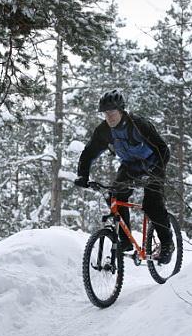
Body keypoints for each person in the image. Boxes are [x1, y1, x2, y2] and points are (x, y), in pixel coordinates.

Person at [74, 89, 175, 264]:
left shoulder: (138, 124)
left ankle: (167, 244)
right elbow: (89, 153)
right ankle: (126, 241)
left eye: (112, 112)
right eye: (106, 113)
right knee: (114, 196)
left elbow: (163, 150)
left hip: (153, 164)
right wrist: (82, 175)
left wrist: (155, 174)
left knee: (151, 204)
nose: (109, 117)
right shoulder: (104, 130)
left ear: (121, 110)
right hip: (130, 166)